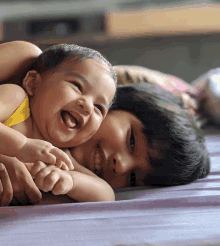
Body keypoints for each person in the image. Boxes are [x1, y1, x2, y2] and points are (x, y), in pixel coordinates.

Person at [0, 41, 116, 171]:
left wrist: (70, 182)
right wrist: (21, 146)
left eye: (99, 107)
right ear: (33, 83)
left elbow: (105, 191)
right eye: (77, 86)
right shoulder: (16, 98)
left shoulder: (61, 157)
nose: (88, 106)